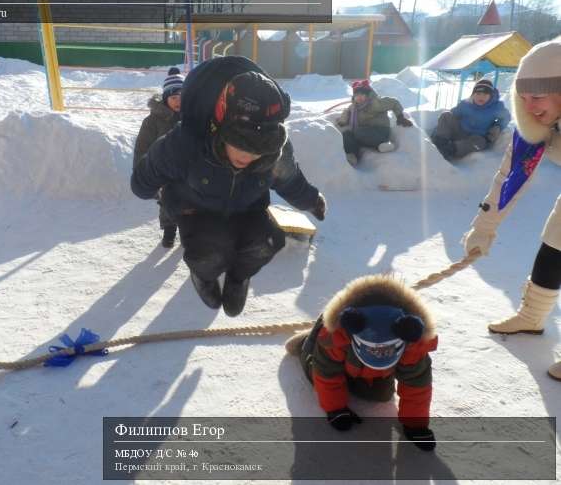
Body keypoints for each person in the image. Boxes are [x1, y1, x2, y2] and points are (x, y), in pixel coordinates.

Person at [131, 56, 326, 317]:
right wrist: (150, 188)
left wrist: (311, 200)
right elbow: (148, 172)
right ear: (220, 126)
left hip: (248, 208)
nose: (247, 157)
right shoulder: (186, 142)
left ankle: (238, 277)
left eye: (257, 151)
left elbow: (290, 178)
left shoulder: (275, 151)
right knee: (210, 252)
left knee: (266, 242)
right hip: (196, 209)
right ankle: (205, 276)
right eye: (240, 145)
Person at [462, 40, 561, 381]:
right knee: (553, 249)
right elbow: (509, 176)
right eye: (523, 97)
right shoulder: (539, 122)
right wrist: (484, 228)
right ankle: (532, 318)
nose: (529, 106)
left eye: (538, 97)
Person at [285, 275, 438, 451]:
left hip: (367, 369)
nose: (380, 352)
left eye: (385, 350)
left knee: (380, 396)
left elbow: (417, 386)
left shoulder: (413, 342)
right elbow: (327, 374)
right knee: (316, 372)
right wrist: (335, 409)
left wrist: (416, 426)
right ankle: (307, 343)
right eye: (375, 348)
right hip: (340, 355)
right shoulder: (337, 335)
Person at [133, 67, 184, 248]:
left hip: (188, 171)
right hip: (164, 171)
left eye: (181, 97)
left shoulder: (193, 117)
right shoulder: (152, 121)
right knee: (168, 204)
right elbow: (142, 148)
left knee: (190, 205)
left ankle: (188, 235)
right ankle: (169, 232)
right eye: (173, 98)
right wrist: (144, 173)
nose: (178, 101)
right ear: (165, 98)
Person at [335, 80, 412, 166]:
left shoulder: (376, 103)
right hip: (364, 133)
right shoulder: (354, 107)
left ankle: (384, 144)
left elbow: (394, 102)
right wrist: (342, 121)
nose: (359, 97)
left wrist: (400, 117)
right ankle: (352, 156)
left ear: (367, 95)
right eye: (356, 95)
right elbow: (347, 112)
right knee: (347, 134)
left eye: (362, 94)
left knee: (358, 132)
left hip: (380, 131)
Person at [431, 79, 511, 160]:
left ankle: (451, 149)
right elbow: (453, 113)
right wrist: (446, 125)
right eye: (478, 94)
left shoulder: (496, 107)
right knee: (446, 115)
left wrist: (498, 126)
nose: (481, 97)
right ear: (473, 94)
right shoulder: (466, 104)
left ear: (491, 96)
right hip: (460, 131)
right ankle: (440, 140)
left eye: (485, 94)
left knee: (479, 143)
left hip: (477, 136)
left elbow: (506, 117)